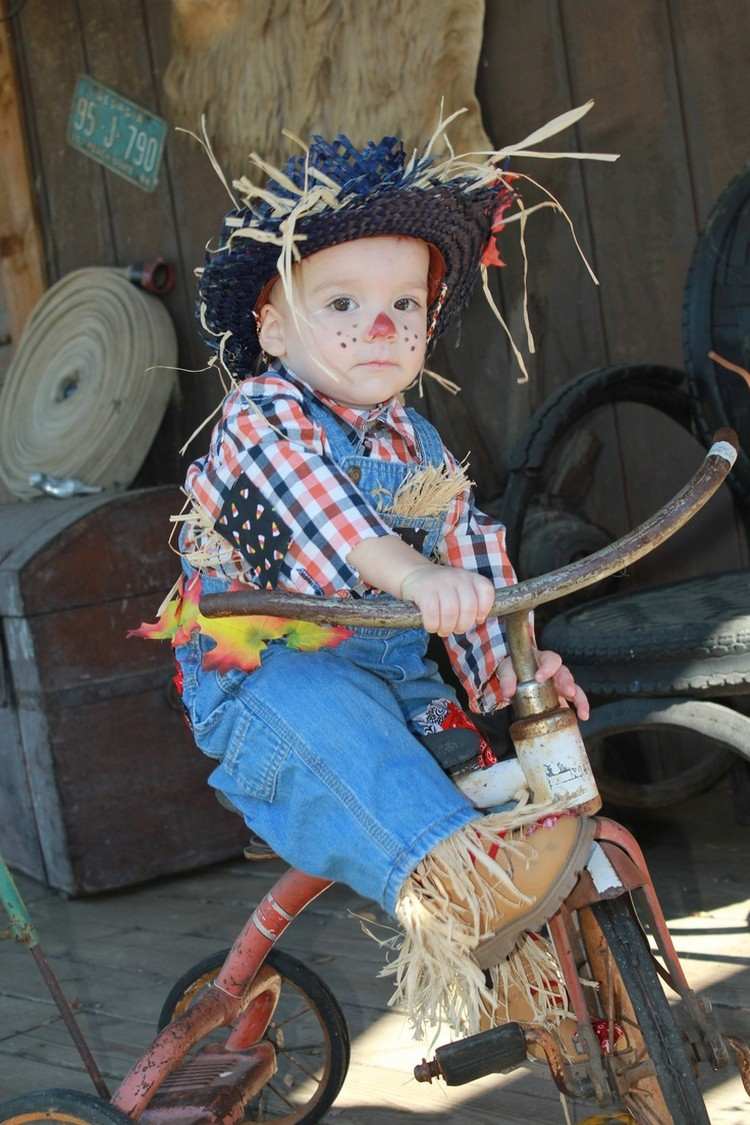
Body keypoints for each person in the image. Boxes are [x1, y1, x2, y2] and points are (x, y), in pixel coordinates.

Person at [133, 104, 616, 1042]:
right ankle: (451, 892)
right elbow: (321, 512)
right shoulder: (262, 418)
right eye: (341, 304)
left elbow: (476, 561)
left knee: (488, 767)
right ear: (272, 328)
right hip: (269, 685)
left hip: (395, 681)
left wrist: (514, 671)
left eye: (405, 305)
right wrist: (408, 575)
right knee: (346, 730)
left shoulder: (416, 442)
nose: (378, 327)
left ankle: (556, 992)